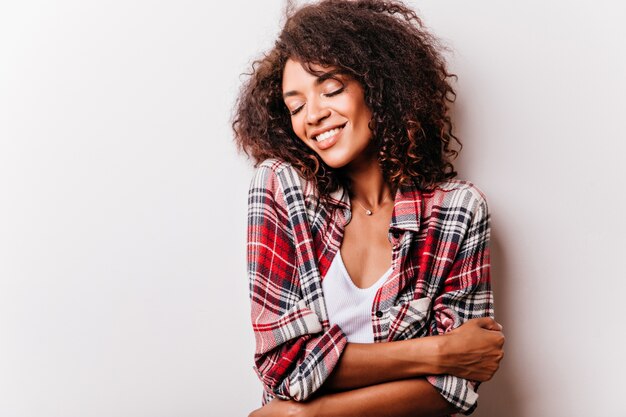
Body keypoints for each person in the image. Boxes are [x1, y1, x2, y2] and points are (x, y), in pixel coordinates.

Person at [232, 1, 505, 416]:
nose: (314, 115)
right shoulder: (283, 189)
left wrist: (309, 414)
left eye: (331, 88)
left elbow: (458, 385)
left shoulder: (459, 211)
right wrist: (439, 350)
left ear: (378, 84)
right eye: (296, 106)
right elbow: (282, 366)